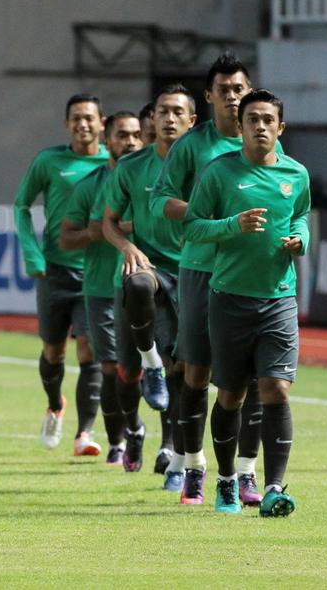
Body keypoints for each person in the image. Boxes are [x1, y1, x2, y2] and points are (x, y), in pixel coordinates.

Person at [150, 53, 274, 505]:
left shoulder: (266, 145)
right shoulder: (192, 146)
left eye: (238, 88)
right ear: (209, 97)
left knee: (254, 377)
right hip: (202, 269)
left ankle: (245, 472)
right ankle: (193, 465)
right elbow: (162, 201)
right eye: (223, 90)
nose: (232, 96)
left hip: (251, 274)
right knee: (195, 371)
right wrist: (213, 218)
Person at [183, 89, 309, 517]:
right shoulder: (219, 173)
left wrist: (301, 239)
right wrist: (232, 225)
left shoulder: (297, 174)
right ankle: (224, 479)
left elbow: (300, 216)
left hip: (279, 300)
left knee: (275, 388)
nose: (259, 126)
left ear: (280, 127)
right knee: (232, 395)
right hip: (230, 299)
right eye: (251, 118)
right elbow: (193, 228)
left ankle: (274, 487)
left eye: (267, 119)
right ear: (240, 126)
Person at [98, 89, 195, 482]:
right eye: (162, 112)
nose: (169, 119)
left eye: (177, 112)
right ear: (151, 120)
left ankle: (173, 451)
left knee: (184, 369)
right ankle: (135, 427)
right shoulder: (132, 167)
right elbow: (108, 221)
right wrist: (126, 246)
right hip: (148, 268)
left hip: (191, 272)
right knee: (126, 369)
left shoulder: (208, 165)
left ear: (192, 119)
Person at [14, 95, 109, 450]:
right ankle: (55, 404)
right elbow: (22, 204)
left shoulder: (113, 163)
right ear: (66, 124)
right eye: (76, 119)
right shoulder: (50, 160)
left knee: (89, 349)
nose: (83, 124)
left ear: (103, 122)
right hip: (55, 271)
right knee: (53, 352)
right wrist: (32, 254)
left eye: (89, 118)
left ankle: (85, 432)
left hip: (97, 273)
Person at [60, 112, 142, 463]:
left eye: (137, 135)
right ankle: (119, 440)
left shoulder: (155, 178)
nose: (132, 142)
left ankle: (164, 443)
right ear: (107, 140)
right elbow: (66, 238)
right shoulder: (90, 185)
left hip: (148, 284)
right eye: (123, 135)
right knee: (111, 368)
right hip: (101, 288)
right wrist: (102, 230)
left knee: (152, 368)